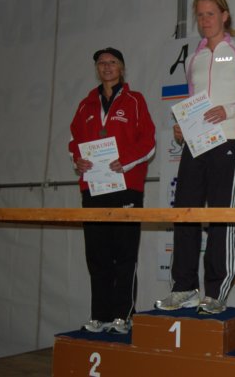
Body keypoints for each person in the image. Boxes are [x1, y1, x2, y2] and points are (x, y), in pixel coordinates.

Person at [155, 0, 235, 315]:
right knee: (184, 215)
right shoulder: (195, 57)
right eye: (200, 15)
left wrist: (230, 110)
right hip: (195, 144)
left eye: (211, 14)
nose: (205, 21)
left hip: (228, 141)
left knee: (221, 218)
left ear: (224, 16)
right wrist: (182, 127)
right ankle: (184, 288)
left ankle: (215, 293)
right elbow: (192, 102)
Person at [69, 47, 156, 333]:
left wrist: (126, 161)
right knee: (97, 255)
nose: (107, 67)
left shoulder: (135, 100)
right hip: (94, 188)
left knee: (125, 254)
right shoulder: (85, 105)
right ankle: (100, 315)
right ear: (97, 69)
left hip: (126, 187)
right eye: (101, 63)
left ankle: (123, 315)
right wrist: (77, 160)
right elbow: (74, 141)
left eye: (112, 62)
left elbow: (149, 143)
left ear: (122, 68)